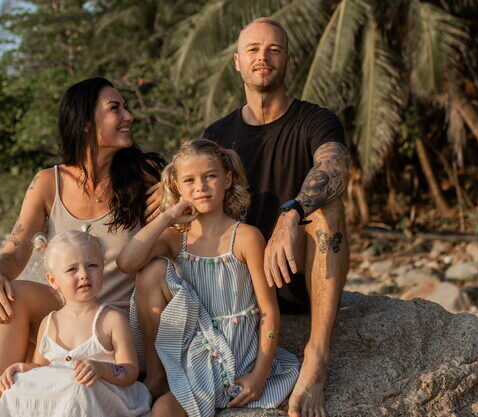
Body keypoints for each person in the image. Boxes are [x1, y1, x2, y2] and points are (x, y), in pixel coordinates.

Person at [0, 77, 164, 417]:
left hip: (114, 322)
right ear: (86, 122)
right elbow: (17, 247)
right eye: (115, 108)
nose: (129, 116)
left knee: (9, 300)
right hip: (65, 312)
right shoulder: (48, 182)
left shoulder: (146, 176)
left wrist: (173, 193)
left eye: (125, 107)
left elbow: (205, 179)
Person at [202, 18, 351, 417]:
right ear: (237, 61)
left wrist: (291, 214)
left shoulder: (316, 120)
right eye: (252, 49)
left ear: (288, 60)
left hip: (296, 273)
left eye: (273, 49)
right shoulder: (217, 134)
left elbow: (335, 168)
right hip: (242, 287)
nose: (262, 58)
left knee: (328, 207)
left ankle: (315, 360)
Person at [117, 139, 300, 417]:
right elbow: (127, 262)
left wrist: (260, 375)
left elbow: (269, 311)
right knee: (151, 273)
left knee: (163, 411)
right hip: (194, 348)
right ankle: (157, 376)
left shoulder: (246, 237)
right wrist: (168, 216)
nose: (200, 187)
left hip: (236, 353)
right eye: (189, 180)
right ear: (177, 187)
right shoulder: (174, 238)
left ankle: (180, 388)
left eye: (210, 176)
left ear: (227, 180)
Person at [0, 230, 151, 417]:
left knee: (78, 388)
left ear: (102, 268)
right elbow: (44, 371)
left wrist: (102, 369)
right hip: (67, 395)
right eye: (72, 269)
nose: (84, 274)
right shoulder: (50, 322)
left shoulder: (112, 319)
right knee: (16, 385)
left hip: (104, 396)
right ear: (53, 281)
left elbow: (130, 371)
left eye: (92, 265)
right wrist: (24, 369)